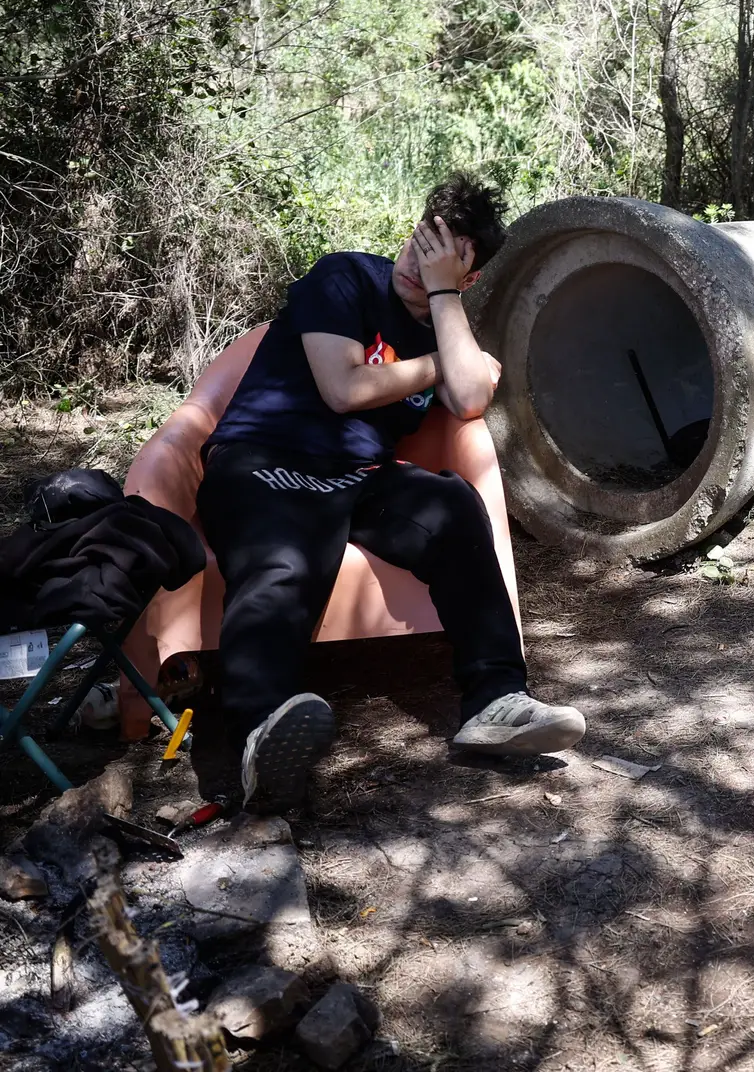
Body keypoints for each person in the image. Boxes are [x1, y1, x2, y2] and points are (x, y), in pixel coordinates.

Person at [197, 173, 585, 812]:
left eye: (439, 262)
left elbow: (468, 400)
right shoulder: (343, 277)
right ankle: (257, 734)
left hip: (361, 475)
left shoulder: (444, 315)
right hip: (266, 457)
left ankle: (495, 701)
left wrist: (442, 300)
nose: (415, 268)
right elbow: (345, 389)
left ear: (468, 276)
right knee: (288, 561)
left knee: (456, 505)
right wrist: (443, 359)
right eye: (417, 247)